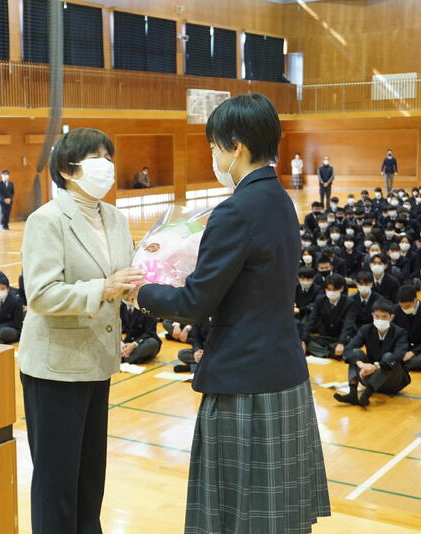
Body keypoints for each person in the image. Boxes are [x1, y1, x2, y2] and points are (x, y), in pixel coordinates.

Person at [132, 94, 330, 532]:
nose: (214, 157)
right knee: (277, 517)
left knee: (238, 516)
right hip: (284, 371)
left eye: (214, 147)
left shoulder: (235, 210)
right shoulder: (280, 199)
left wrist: (141, 292)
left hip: (244, 382)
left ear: (236, 147)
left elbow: (193, 304)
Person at [17, 128, 141, 534]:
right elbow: (41, 294)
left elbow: (125, 279)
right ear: (68, 170)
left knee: (90, 478)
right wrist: (103, 288)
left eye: (109, 156)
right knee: (57, 482)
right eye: (95, 157)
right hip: (55, 367)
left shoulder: (116, 218)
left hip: (97, 360)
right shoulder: (46, 220)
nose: (106, 165)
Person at [335, 298, 410, 406]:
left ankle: (367, 394)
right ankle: (352, 393)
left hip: (393, 381)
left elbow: (398, 356)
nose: (380, 320)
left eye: (384, 317)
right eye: (377, 316)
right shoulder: (365, 329)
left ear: (391, 317)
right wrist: (361, 364)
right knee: (355, 353)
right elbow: (348, 350)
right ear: (372, 315)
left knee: (388, 357)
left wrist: (376, 367)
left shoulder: (400, 332)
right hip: (368, 374)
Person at [303, 273, 357, 359]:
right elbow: (311, 320)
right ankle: (330, 353)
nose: (331, 292)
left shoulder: (349, 302)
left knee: (349, 346)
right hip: (325, 336)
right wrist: (303, 340)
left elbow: (348, 324)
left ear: (341, 288)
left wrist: (341, 343)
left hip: (341, 336)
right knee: (307, 341)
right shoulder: (320, 299)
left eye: (335, 289)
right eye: (328, 289)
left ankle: (325, 351)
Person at [394, 285, 421, 371]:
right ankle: (398, 365)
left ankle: (395, 366)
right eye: (402, 306)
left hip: (420, 350)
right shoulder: (395, 310)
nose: (404, 309)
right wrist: (401, 351)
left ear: (415, 300)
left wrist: (413, 352)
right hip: (402, 349)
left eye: (407, 306)